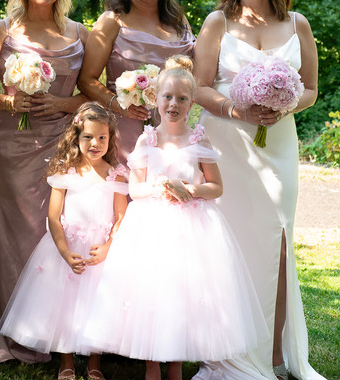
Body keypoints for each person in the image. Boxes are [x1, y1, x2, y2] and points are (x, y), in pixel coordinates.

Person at [82, 57, 266, 380]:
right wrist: (160, 187)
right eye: (167, 96)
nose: (174, 104)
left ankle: (176, 365)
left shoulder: (198, 140)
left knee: (183, 294)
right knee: (152, 292)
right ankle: (152, 365)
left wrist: (189, 189)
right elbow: (135, 189)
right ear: (156, 99)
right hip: (150, 229)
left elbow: (216, 187)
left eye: (182, 98)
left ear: (192, 104)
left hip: (191, 231)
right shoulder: (147, 139)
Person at [192, 0, 321, 380]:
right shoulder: (218, 22)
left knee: (278, 239)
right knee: (230, 242)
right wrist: (237, 109)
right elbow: (199, 87)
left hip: (278, 144)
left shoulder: (297, 24)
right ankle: (228, 350)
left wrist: (284, 105)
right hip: (228, 143)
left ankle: (275, 356)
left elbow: (310, 89)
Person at [0, 0, 90, 363]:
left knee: (53, 230)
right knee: (13, 230)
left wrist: (61, 105)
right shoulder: (0, 31)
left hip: (62, 145)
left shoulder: (81, 33)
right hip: (13, 145)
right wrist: (8, 102)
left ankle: (51, 334)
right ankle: (4, 328)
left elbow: (92, 91)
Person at [0, 102, 128, 380]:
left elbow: (121, 217)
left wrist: (108, 247)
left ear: (110, 138)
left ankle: (94, 361)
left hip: (99, 254)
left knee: (97, 304)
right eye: (88, 137)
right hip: (66, 250)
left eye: (102, 137)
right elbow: (54, 217)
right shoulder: (65, 171)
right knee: (63, 305)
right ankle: (66, 360)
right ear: (76, 137)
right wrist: (64, 252)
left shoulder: (116, 174)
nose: (95, 143)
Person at [78, 0, 194, 164]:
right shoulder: (112, 21)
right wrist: (120, 106)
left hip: (173, 133)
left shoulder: (179, 21)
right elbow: (86, 80)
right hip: (125, 132)